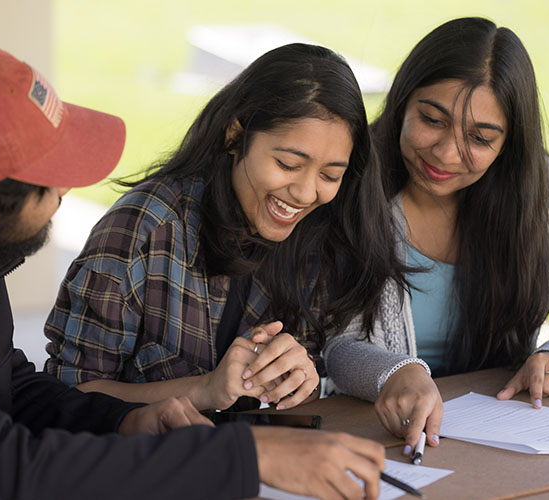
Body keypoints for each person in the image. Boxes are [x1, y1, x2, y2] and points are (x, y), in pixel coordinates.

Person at [0, 43, 387, 500]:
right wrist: (239, 455)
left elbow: (17, 392)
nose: (70, 187)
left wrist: (127, 421)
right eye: (51, 176)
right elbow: (9, 469)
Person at [323, 17, 549, 457]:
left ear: (509, 142)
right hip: (373, 436)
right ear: (402, 102)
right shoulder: (350, 181)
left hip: (502, 435)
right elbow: (337, 345)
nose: (447, 154)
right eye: (431, 119)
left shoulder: (534, 187)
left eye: (480, 138)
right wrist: (395, 372)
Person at [44, 43, 404, 412]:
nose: (306, 193)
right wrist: (203, 389)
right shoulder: (142, 230)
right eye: (288, 164)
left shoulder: (317, 232)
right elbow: (67, 396)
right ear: (235, 136)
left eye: (330, 175)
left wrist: (299, 381)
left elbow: (303, 392)